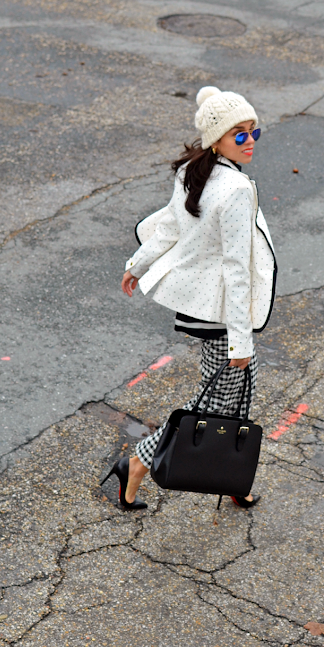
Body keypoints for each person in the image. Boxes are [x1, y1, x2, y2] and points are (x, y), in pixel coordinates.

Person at [100, 86, 276, 510]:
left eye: (254, 132)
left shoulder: (196, 170)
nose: (249, 141)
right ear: (216, 137)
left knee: (230, 393)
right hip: (221, 311)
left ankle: (232, 477)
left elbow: (168, 226)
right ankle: (138, 463)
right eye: (239, 134)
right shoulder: (233, 188)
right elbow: (236, 268)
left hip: (202, 305)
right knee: (215, 397)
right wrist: (240, 338)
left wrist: (137, 264)